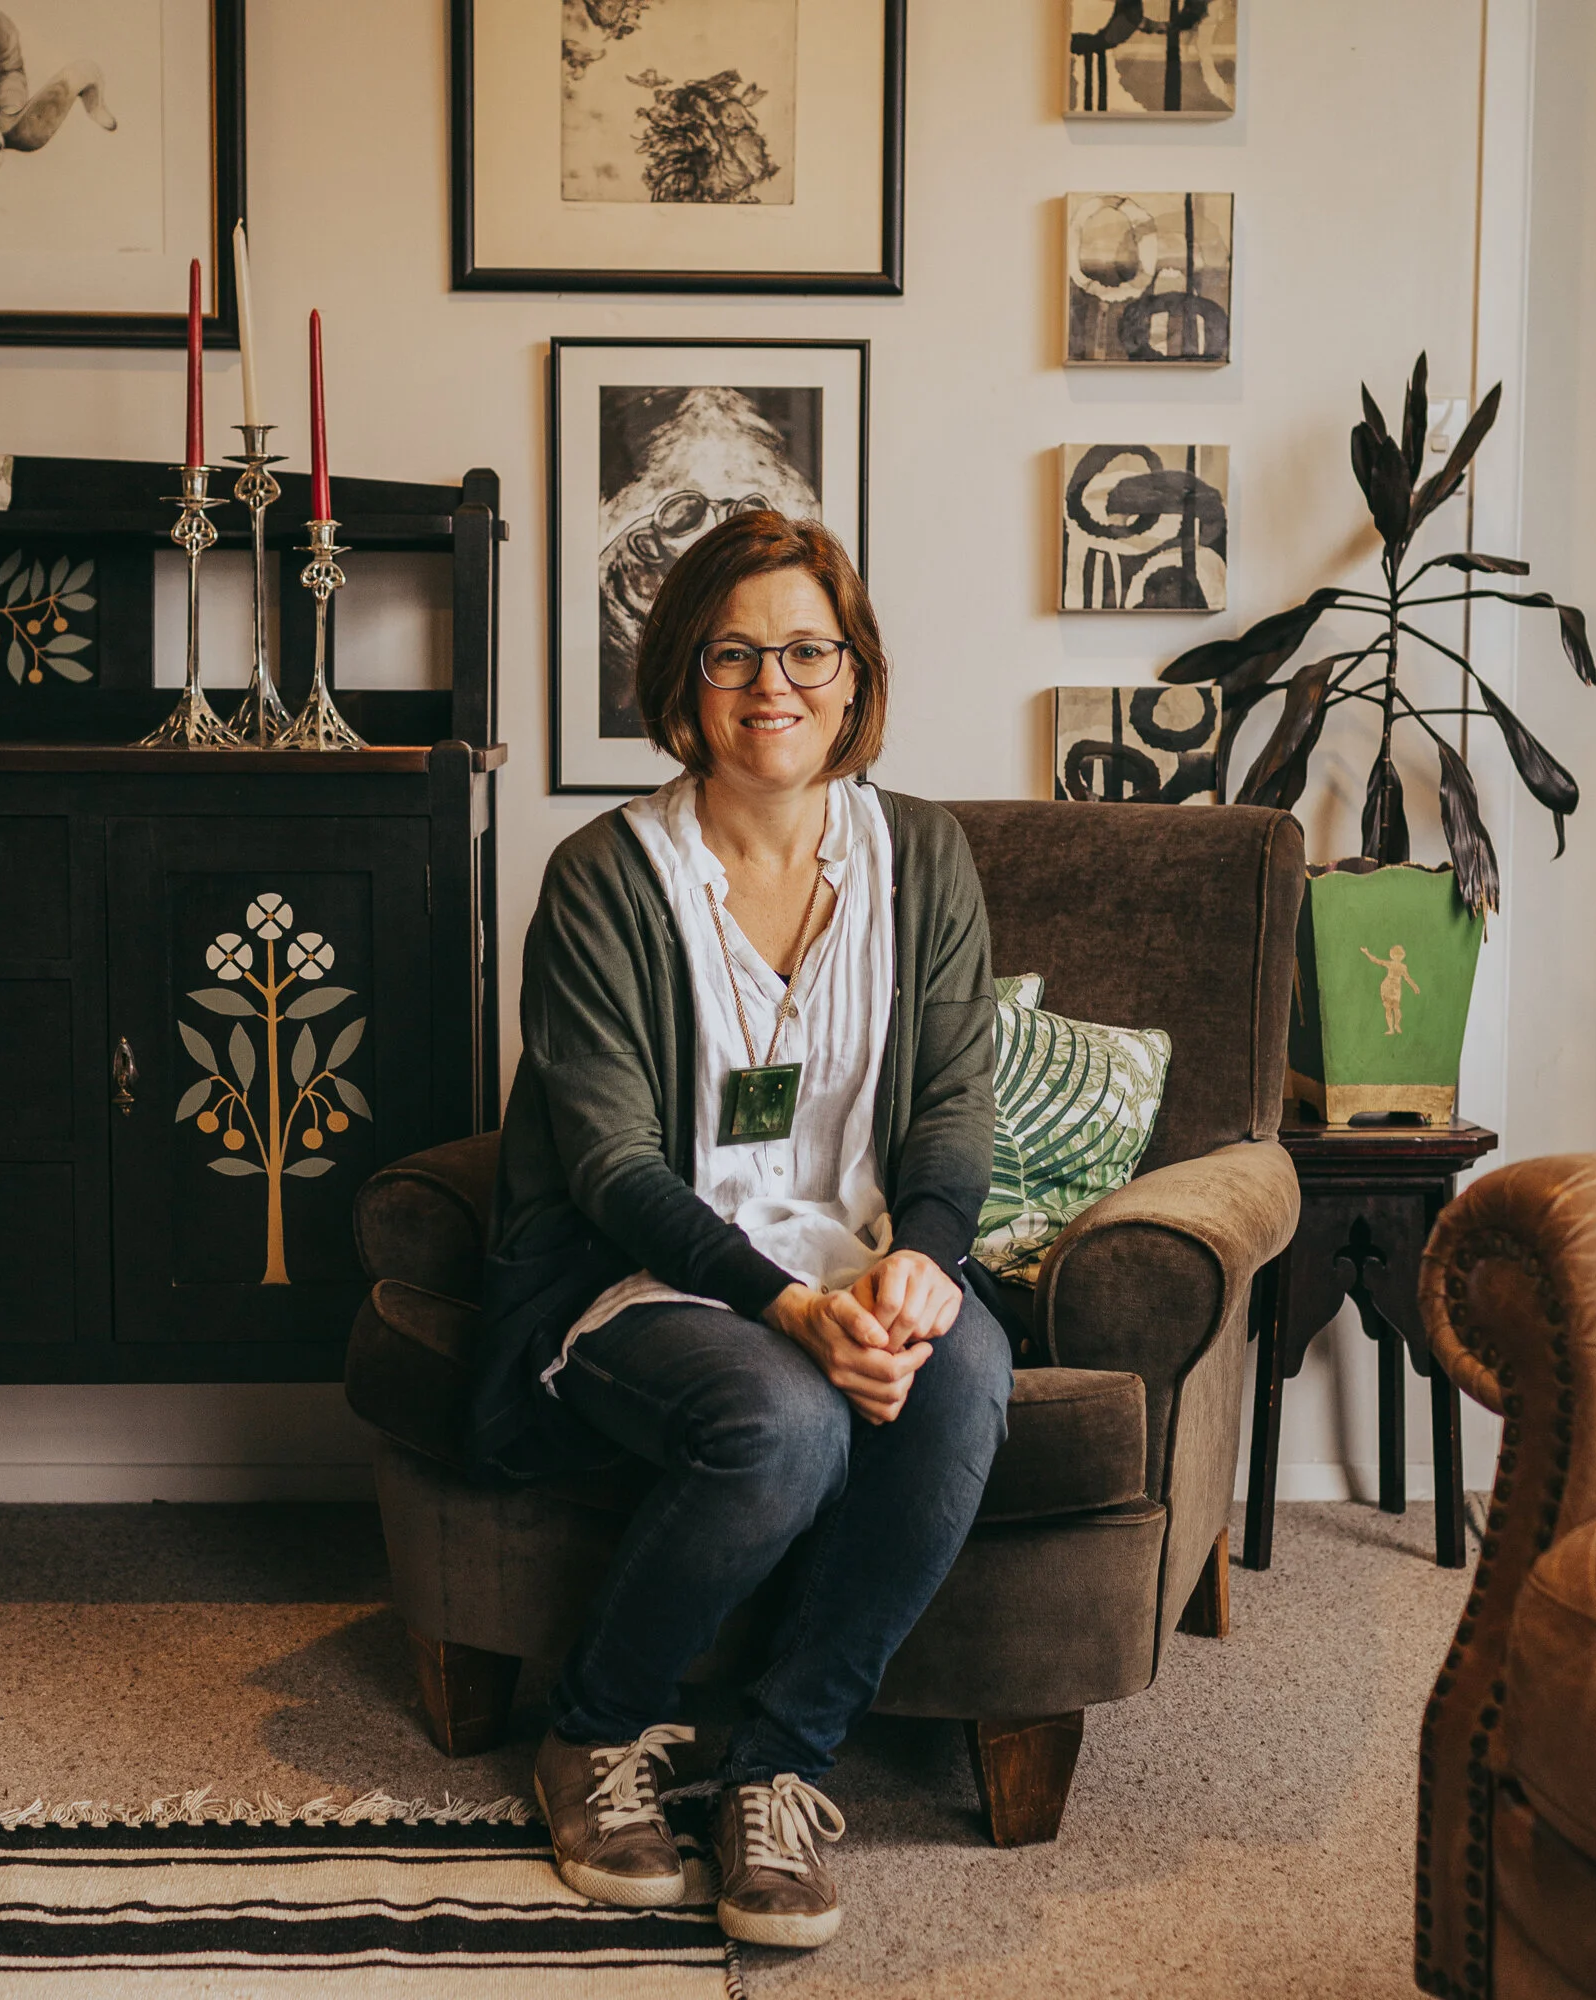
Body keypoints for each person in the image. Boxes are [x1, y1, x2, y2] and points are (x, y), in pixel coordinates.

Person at [470, 510, 1010, 1951]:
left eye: (807, 651)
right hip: (642, 1276)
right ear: (681, 683)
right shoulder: (602, 881)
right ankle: (592, 1734)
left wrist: (926, 1259)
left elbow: (959, 1098)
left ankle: (781, 1767)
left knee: (965, 1375)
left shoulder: (926, 861)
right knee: (791, 1425)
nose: (775, 684)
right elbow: (610, 1167)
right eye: (733, 654)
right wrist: (785, 1307)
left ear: (855, 674)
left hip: (856, 1254)